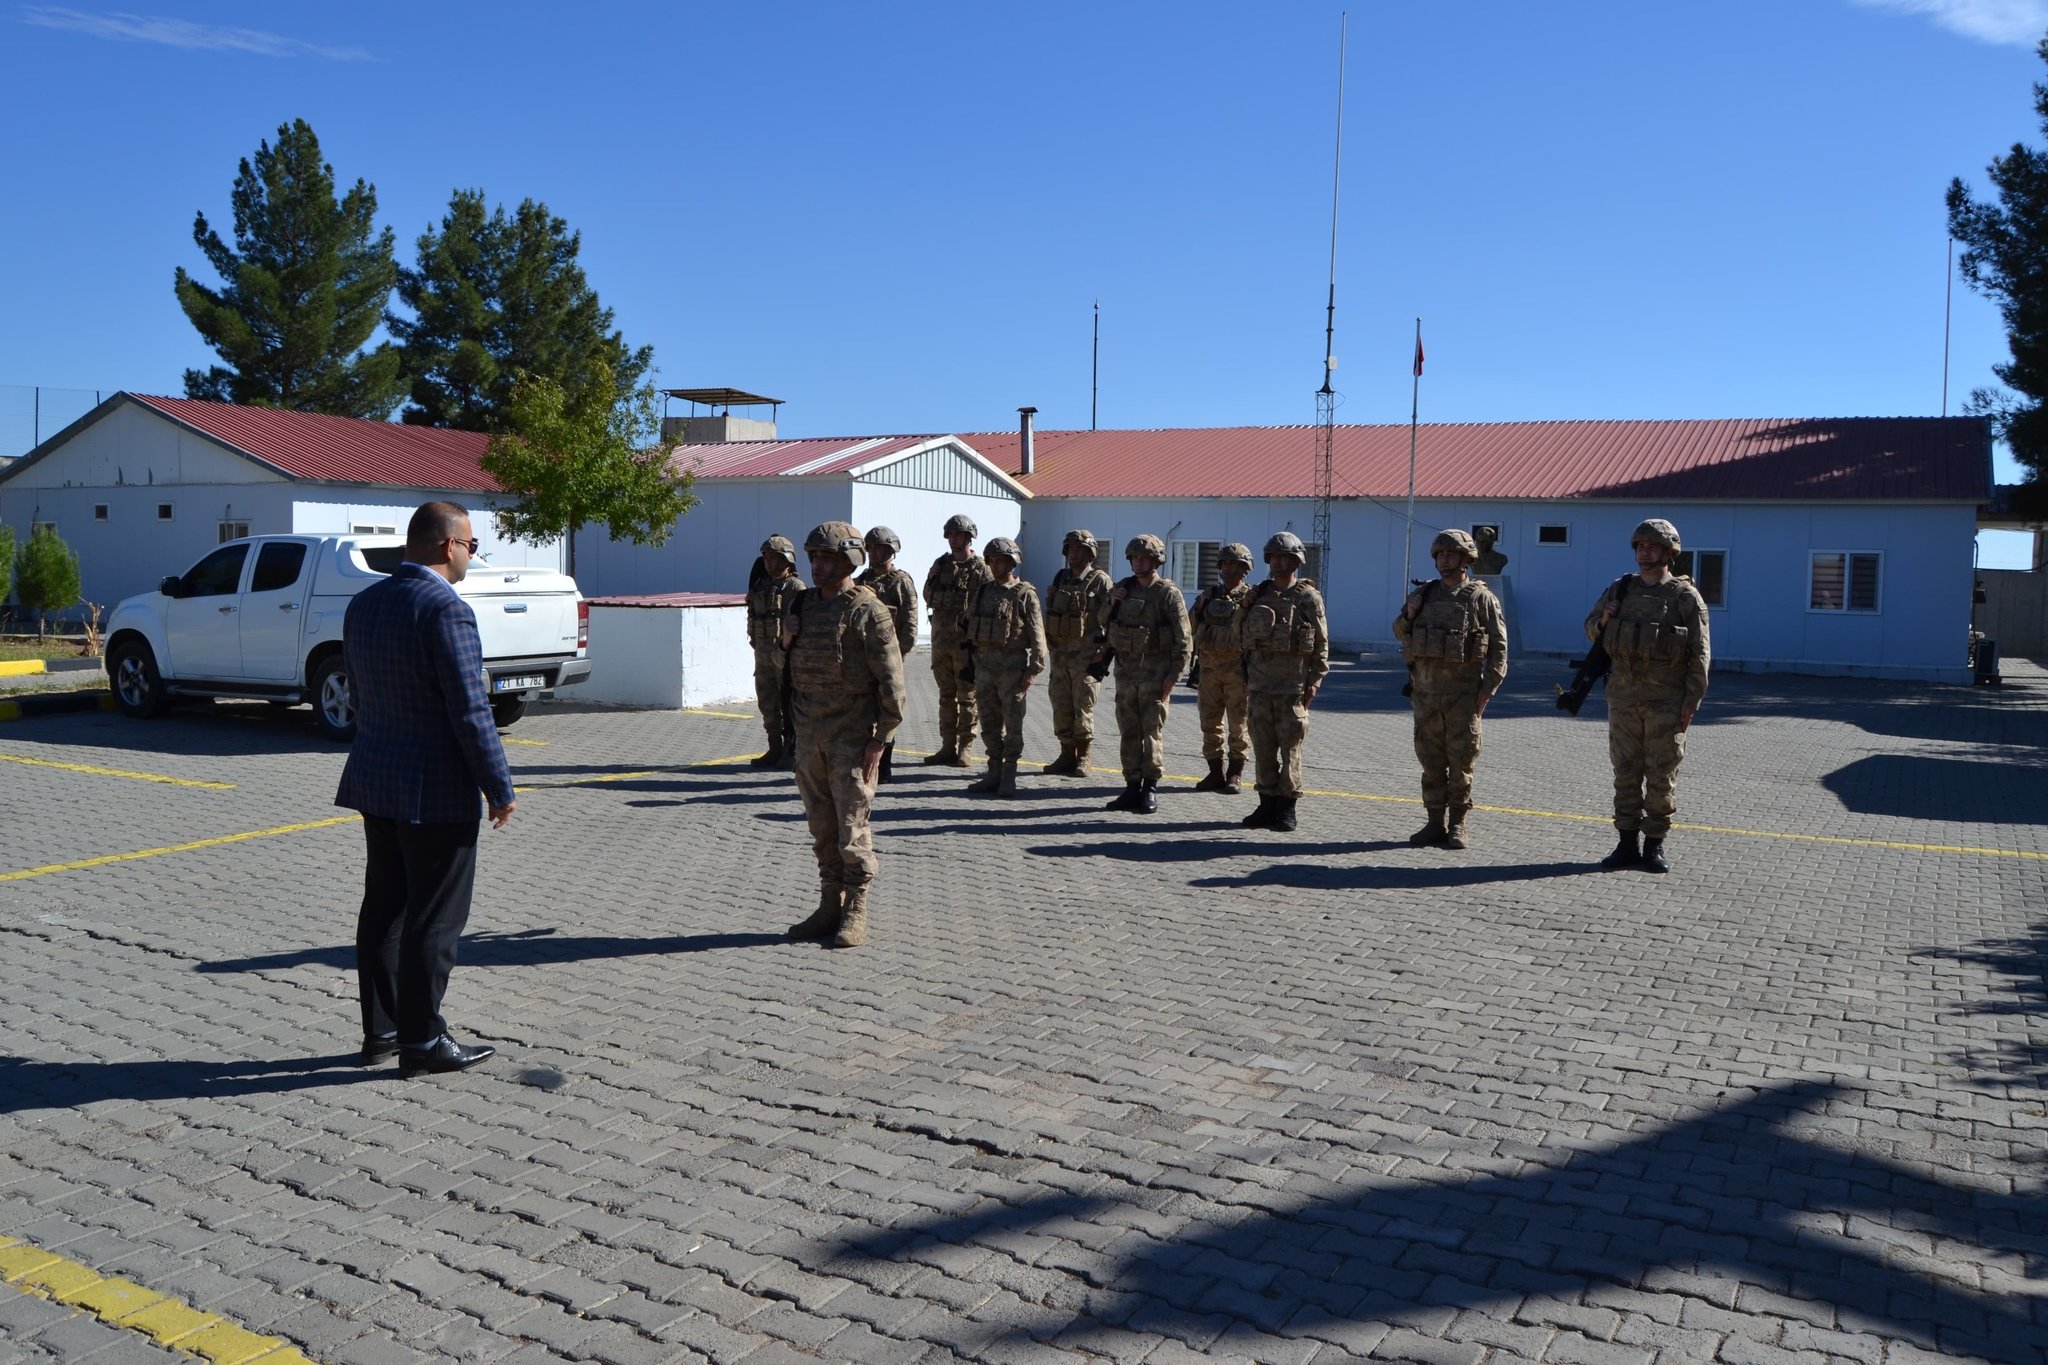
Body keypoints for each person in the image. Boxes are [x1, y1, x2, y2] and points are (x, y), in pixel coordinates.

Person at [336, 500, 514, 1078]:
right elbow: (469, 710)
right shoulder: (448, 610)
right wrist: (498, 785)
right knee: (434, 920)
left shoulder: (364, 604)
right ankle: (422, 1040)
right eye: (471, 546)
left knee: (384, 911)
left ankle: (381, 1033)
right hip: (434, 792)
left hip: (377, 779)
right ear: (447, 545)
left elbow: (360, 692)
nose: (471, 556)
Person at [782, 522, 907, 948]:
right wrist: (786, 637)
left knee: (852, 829)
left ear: (850, 560)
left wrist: (881, 739)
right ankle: (828, 904)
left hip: (852, 739)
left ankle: (856, 909)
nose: (817, 565)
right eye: (813, 557)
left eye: (827, 558)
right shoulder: (801, 603)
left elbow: (892, 682)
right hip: (810, 734)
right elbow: (788, 665)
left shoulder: (868, 610)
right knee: (822, 828)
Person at [1585, 518, 1711, 874]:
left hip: (1666, 703)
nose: (1645, 552)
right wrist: (1604, 621)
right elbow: (1589, 629)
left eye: (1653, 547)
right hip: (1623, 699)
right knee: (1625, 773)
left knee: (1660, 776)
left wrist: (1691, 702)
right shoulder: (1620, 589)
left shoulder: (1684, 596)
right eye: (1641, 547)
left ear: (1669, 553)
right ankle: (1626, 844)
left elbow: (1700, 653)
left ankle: (1654, 845)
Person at [1393, 529, 1508, 849]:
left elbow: (1499, 648)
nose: (1444, 559)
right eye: (1440, 554)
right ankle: (1433, 823)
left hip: (1463, 697)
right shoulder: (1424, 595)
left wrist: (1487, 691)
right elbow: (1398, 630)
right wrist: (1409, 614)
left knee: (1461, 764)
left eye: (1451, 554)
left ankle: (1458, 824)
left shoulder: (1480, 597)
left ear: (1465, 559)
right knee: (1430, 763)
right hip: (1426, 696)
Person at [1238, 532, 1329, 833]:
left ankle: (1287, 809)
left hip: (1292, 687)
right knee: (1263, 748)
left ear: (1296, 561)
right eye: (1274, 557)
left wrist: (1314, 680)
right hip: (1260, 686)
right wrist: (1245, 604)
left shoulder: (1307, 597)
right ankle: (1266, 805)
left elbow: (1321, 643)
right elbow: (1239, 634)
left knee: (1290, 750)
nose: (1278, 562)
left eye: (1285, 557)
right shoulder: (1257, 595)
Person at [1096, 534, 1191, 814]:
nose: (1139, 562)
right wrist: (1111, 601)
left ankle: (1150, 787)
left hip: (1155, 675)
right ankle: (1131, 786)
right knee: (1128, 731)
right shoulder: (1123, 588)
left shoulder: (1167, 593)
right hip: (1126, 674)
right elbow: (1101, 621)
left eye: (1144, 558)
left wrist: (1174, 675)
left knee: (1151, 732)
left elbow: (1183, 638)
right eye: (1135, 557)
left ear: (1156, 560)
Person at [961, 536, 1048, 797]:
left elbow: (1037, 637)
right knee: (988, 723)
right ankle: (993, 772)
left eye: (1002, 561)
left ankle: (1009, 775)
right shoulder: (984, 591)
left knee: (1013, 726)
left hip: (1012, 673)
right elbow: (967, 625)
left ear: (1012, 563)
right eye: (993, 560)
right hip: (985, 671)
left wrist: (1033, 671)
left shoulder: (1024, 594)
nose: (996, 565)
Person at [920, 514, 992, 767]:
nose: (953, 539)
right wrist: (933, 577)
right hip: (941, 641)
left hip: (966, 643)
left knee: (967, 696)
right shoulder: (941, 564)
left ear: (969, 536)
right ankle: (947, 746)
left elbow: (988, 600)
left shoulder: (981, 568)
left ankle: (966, 747)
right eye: (950, 534)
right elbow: (928, 596)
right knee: (945, 696)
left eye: (958, 534)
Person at [1041, 529, 1113, 777]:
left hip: (1086, 657)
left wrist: (1103, 654)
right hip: (1060, 657)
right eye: (1071, 548)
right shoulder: (1062, 577)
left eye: (1080, 549)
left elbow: (1110, 621)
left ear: (1090, 553)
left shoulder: (1100, 581)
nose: (1074, 553)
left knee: (1083, 708)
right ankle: (1065, 754)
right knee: (1060, 706)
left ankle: (1084, 756)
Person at [1189, 542, 1255, 795]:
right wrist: (1202, 604)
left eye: (1236, 565)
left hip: (1239, 673)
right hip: (1209, 672)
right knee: (1210, 724)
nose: (1230, 569)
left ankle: (1235, 774)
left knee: (1239, 726)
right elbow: (1189, 627)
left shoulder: (1252, 597)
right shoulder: (1208, 596)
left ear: (1245, 568)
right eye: (1226, 563)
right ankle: (1215, 772)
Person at [857, 526, 919, 782]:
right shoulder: (862, 580)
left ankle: (885, 767)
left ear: (891, 551)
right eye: (871, 548)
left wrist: (896, 656)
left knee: (889, 709)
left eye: (881, 549)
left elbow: (910, 625)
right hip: (862, 659)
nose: (875, 553)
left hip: (889, 659)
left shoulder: (901, 582)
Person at [746, 535, 806, 768]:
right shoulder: (761, 586)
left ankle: (793, 750)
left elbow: (800, 621)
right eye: (767, 558)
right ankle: (774, 747)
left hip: (786, 656)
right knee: (767, 702)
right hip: (763, 655)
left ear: (788, 560)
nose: (770, 563)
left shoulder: (795, 587)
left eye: (775, 558)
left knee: (789, 703)